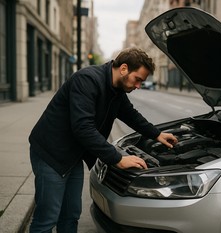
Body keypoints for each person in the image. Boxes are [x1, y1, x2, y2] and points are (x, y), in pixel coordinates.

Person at [28, 47, 178, 233]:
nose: (139, 85)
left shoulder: (117, 90)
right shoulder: (87, 80)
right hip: (50, 153)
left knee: (71, 214)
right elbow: (83, 128)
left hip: (71, 155)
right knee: (47, 218)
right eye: (137, 79)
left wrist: (157, 134)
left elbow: (131, 115)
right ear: (124, 69)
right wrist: (117, 159)